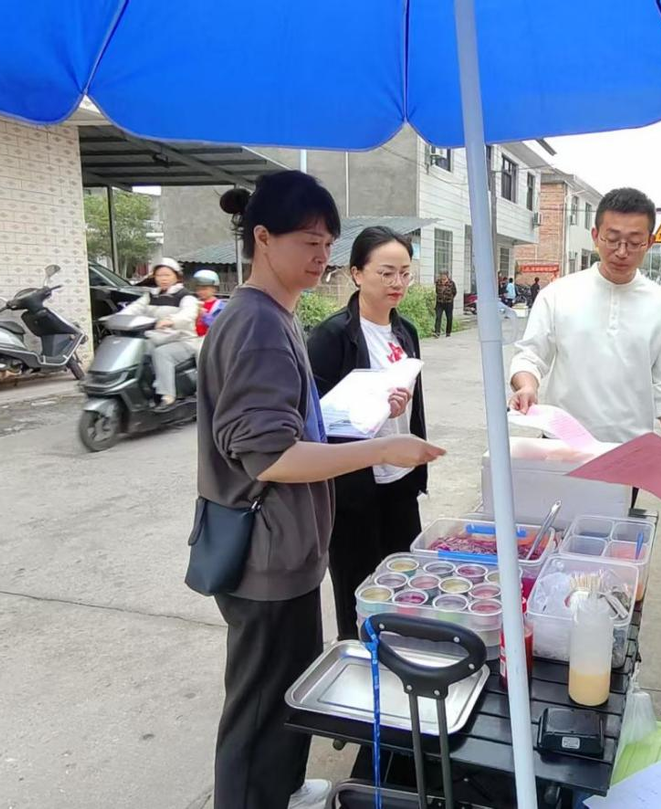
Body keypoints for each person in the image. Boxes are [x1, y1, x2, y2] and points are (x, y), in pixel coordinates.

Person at [198, 172, 444, 809]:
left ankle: (277, 788)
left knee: (284, 684)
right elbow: (270, 455)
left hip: (287, 547)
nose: (321, 256)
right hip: (265, 553)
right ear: (262, 238)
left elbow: (294, 430)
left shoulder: (274, 316)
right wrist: (384, 447)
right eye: (309, 241)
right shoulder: (255, 324)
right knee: (258, 699)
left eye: (328, 242)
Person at [509, 187, 661, 471]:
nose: (621, 252)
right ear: (596, 236)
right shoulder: (559, 294)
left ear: (651, 242)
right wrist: (527, 386)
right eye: (612, 239)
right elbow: (530, 356)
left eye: (634, 243)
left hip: (630, 451)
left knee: (617, 516)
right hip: (561, 445)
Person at [307, 227, 429, 640]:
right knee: (358, 591)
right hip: (353, 487)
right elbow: (314, 419)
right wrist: (374, 409)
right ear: (357, 274)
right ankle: (360, 668)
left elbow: (415, 405)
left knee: (405, 584)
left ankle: (403, 662)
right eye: (386, 273)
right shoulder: (331, 336)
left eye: (405, 273)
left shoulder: (405, 331)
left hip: (400, 480)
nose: (397, 283)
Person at [119, 257, 198, 409]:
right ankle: (140, 391)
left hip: (183, 340)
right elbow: (134, 309)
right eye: (160, 275)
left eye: (167, 275)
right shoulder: (151, 296)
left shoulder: (184, 296)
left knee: (162, 353)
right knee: (136, 349)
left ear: (176, 276)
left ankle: (168, 396)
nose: (163, 279)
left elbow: (189, 314)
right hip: (157, 338)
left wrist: (172, 320)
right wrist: (117, 318)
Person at [192, 268, 227, 338]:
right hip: (194, 339)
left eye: (204, 289)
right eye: (198, 289)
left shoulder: (220, 306)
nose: (201, 292)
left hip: (210, 340)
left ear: (214, 288)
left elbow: (219, 326)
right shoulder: (194, 303)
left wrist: (204, 315)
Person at [434, 268, 456, 338]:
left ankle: (448, 332)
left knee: (449, 318)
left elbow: (454, 292)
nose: (442, 276)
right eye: (441, 275)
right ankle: (437, 332)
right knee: (438, 317)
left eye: (444, 275)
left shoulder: (451, 283)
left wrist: (450, 298)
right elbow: (437, 291)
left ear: (447, 275)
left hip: (448, 303)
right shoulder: (438, 282)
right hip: (439, 302)